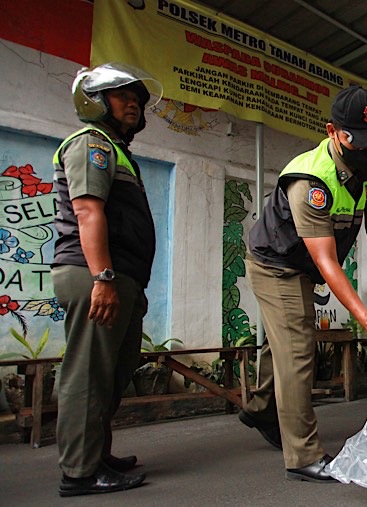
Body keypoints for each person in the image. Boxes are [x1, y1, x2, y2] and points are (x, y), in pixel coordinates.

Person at [241, 85, 367, 482]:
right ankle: (302, 456)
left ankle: (258, 408)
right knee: (299, 350)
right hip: (276, 264)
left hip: (306, 264)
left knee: (281, 343)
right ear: (333, 131)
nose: (366, 151)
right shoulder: (310, 180)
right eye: (357, 140)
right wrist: (366, 320)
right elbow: (327, 260)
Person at [52, 63, 162, 496]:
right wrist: (103, 277)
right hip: (93, 273)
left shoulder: (115, 150)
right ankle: (79, 472)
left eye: (136, 96)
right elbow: (87, 212)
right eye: (121, 95)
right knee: (89, 375)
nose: (132, 102)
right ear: (95, 102)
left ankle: (95, 453)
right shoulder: (90, 145)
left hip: (117, 277)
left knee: (112, 373)